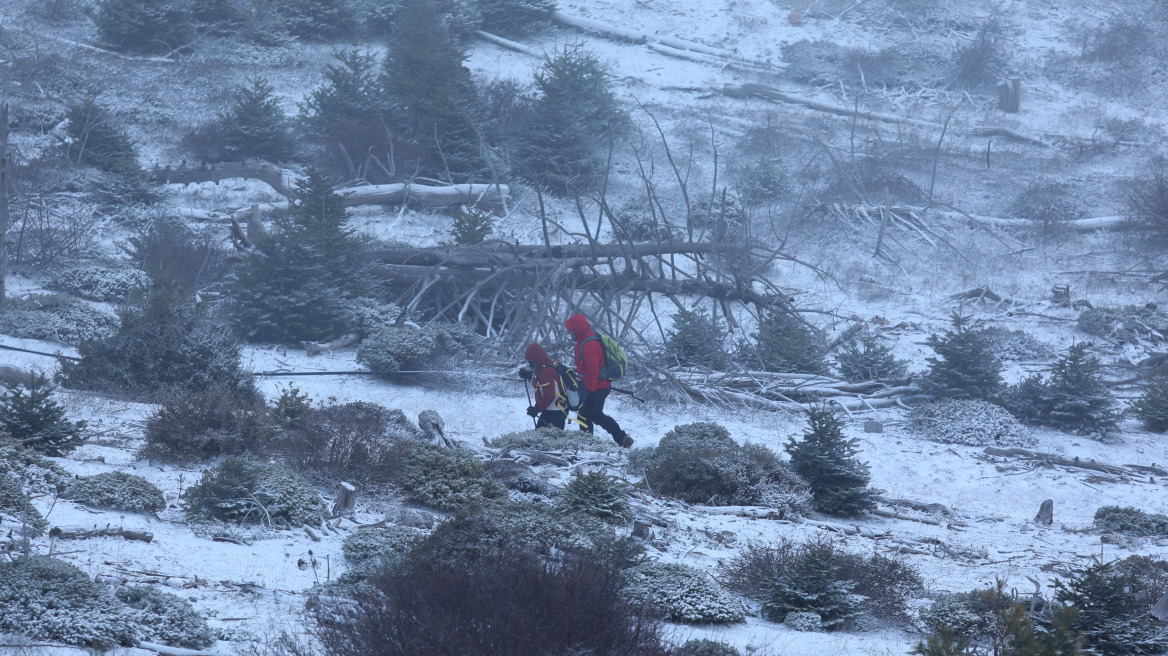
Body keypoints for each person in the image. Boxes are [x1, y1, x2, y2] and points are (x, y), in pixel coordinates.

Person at [565, 313, 633, 448]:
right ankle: (622, 438)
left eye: (571, 330)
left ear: (577, 329)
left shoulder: (589, 344)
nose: (569, 333)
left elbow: (593, 371)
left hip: (596, 388)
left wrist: (588, 391)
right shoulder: (584, 340)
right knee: (596, 415)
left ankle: (587, 445)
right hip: (599, 386)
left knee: (583, 416)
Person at [520, 342, 567, 430]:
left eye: (530, 361)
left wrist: (537, 409)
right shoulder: (549, 364)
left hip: (553, 412)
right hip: (560, 410)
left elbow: (549, 395)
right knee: (555, 440)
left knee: (540, 441)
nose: (529, 363)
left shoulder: (546, 371)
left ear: (536, 359)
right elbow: (541, 379)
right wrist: (528, 375)